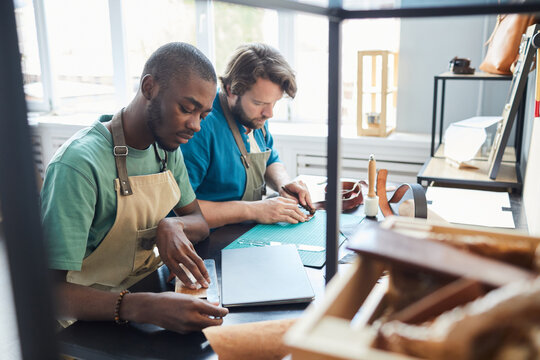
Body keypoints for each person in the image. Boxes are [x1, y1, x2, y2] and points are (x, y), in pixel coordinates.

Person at [40, 42, 228, 333]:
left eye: (202, 115)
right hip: (79, 324)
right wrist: (142, 306)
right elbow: (50, 295)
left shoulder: (166, 149)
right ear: (149, 87)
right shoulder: (78, 166)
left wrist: (173, 225)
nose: (196, 126)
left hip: (139, 299)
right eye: (187, 109)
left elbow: (199, 223)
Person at [180, 43, 314, 229]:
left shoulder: (256, 117)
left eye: (274, 103)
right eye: (259, 102)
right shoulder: (201, 128)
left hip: (246, 233)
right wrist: (255, 210)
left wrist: (285, 184)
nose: (269, 113)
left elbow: (270, 158)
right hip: (208, 241)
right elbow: (181, 211)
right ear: (230, 90)